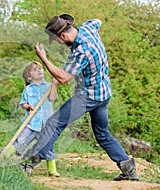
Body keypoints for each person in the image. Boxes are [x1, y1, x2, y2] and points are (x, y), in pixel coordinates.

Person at [22, 14, 139, 181]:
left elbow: (63, 78)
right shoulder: (88, 28)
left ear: (63, 35)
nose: (59, 43)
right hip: (104, 93)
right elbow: (98, 20)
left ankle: (29, 162)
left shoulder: (82, 50)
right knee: (103, 134)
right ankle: (129, 171)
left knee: (55, 123)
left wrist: (44, 59)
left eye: (57, 40)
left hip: (89, 96)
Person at [5, 61, 60, 177]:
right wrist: (28, 106)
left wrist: (54, 85)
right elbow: (23, 103)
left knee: (48, 146)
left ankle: (52, 169)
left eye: (40, 68)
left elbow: (53, 98)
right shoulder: (28, 89)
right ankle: (5, 155)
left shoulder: (49, 86)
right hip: (31, 123)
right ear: (29, 77)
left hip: (46, 124)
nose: (39, 70)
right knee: (21, 141)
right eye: (35, 70)